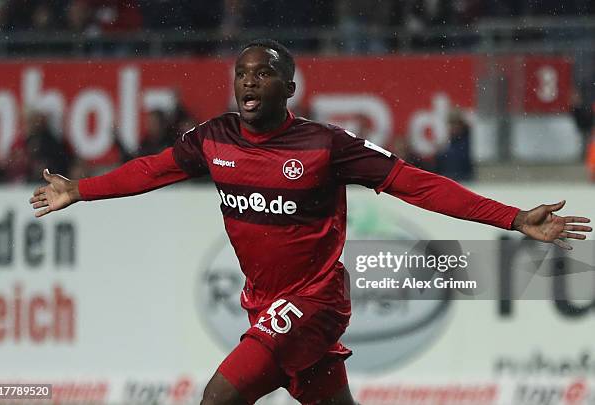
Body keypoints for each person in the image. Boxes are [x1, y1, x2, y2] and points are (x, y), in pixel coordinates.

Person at [29, 39, 592, 405]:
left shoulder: (326, 146)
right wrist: (81, 189)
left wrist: (513, 217)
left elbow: (417, 183)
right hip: (263, 299)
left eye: (264, 75)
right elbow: (152, 171)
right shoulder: (214, 139)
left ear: (289, 89)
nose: (249, 83)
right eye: (242, 74)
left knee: (216, 399)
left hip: (314, 300)